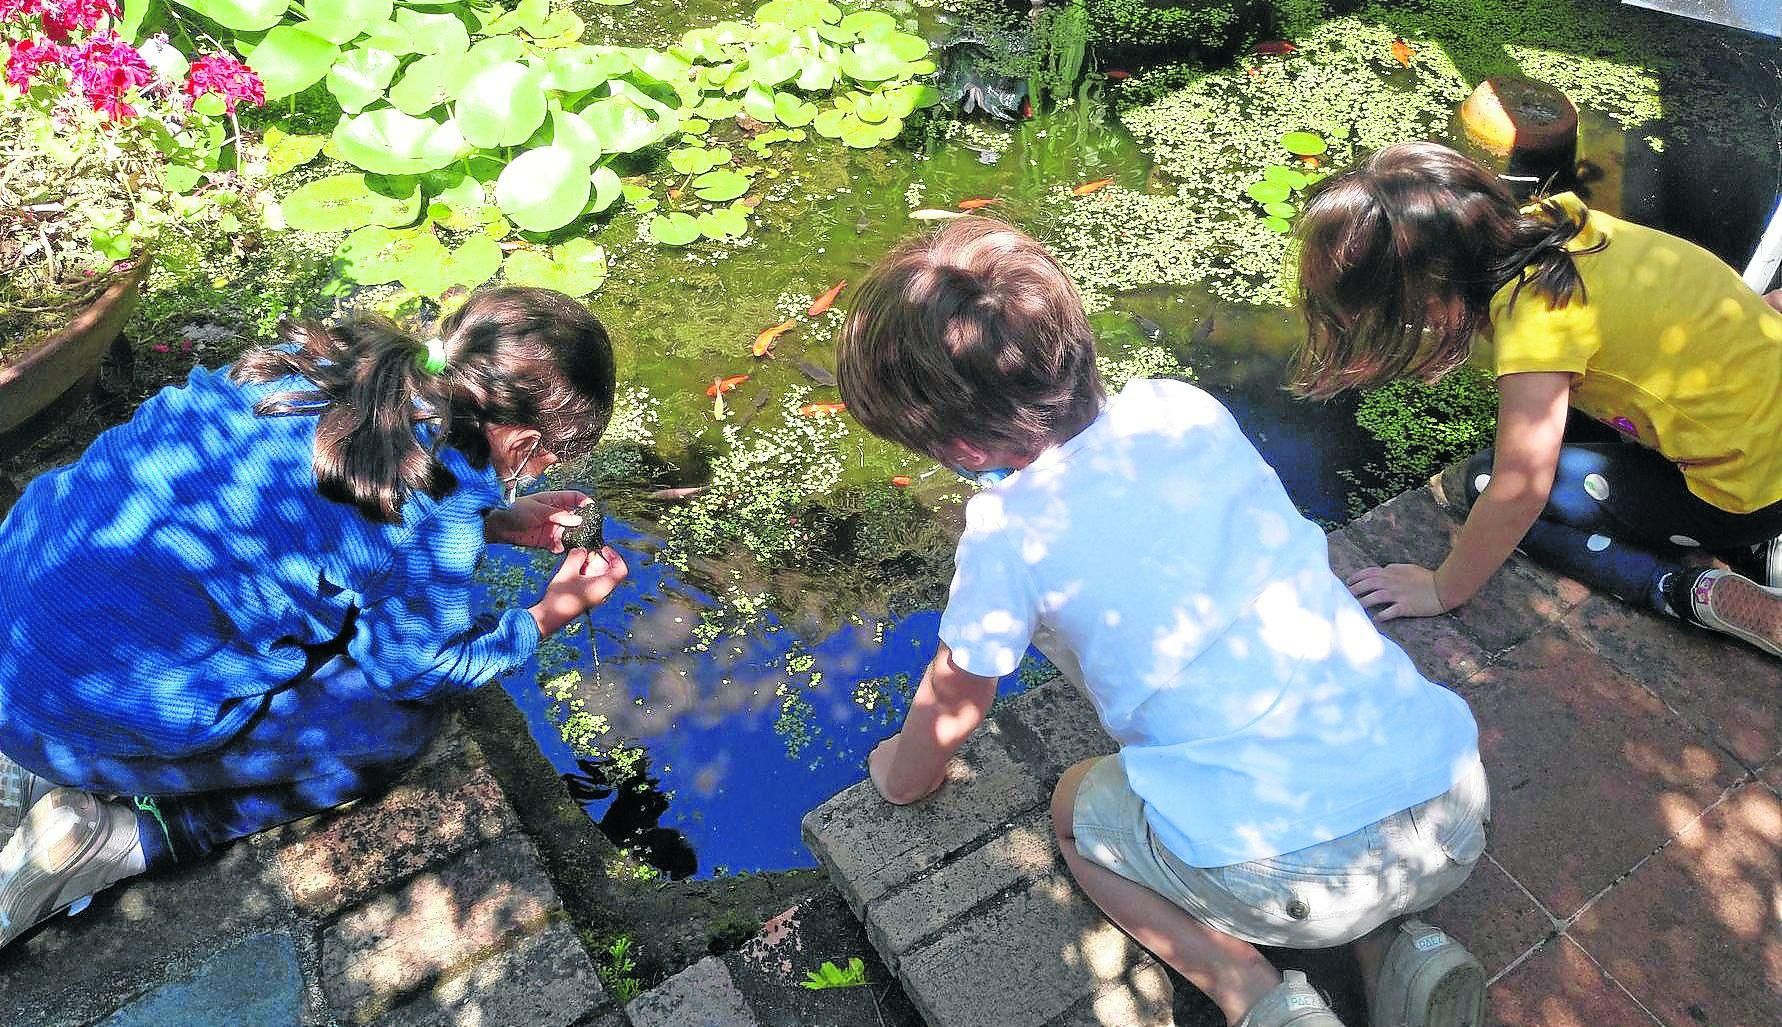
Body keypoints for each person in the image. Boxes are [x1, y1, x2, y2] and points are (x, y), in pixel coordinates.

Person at [839, 218, 1491, 1027]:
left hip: (1282, 878)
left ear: (966, 447)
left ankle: (1258, 996)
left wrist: (904, 775)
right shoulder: (1179, 407)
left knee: (1077, 811)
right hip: (1454, 801)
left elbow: (957, 692)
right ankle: (1399, 951)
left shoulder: (1009, 533)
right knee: (1334, 787)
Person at [0, 287, 629, 950]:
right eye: (545, 460)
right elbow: (417, 668)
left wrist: (495, 523)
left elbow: (337, 511)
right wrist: (548, 612)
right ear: (526, 442)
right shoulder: (436, 505)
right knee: (393, 729)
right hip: (66, 724)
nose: (532, 473)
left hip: (18, 610)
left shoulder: (325, 357)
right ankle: (130, 837)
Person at [1292, 141, 1782, 659]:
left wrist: (1443, 588)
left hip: (1750, 492)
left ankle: (1681, 590)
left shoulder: (1535, 324)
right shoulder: (1556, 223)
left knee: (1485, 487)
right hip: (1763, 414)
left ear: (1428, 294)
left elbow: (1519, 489)